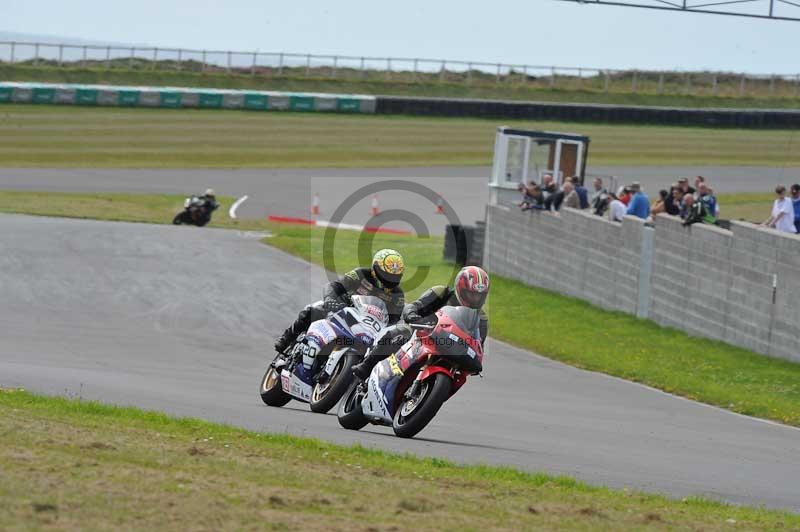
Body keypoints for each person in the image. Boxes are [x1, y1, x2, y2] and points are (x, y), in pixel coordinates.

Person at [352, 266, 490, 381]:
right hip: (421, 332)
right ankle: (366, 366)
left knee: (459, 375)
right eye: (471, 294)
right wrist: (413, 316)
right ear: (460, 288)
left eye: (479, 296)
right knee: (401, 332)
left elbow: (478, 344)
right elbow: (415, 306)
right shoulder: (442, 293)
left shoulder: (481, 318)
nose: (475, 299)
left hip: (449, 346)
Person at [273, 249, 406, 353]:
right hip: (342, 311)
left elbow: (393, 321)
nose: (389, 279)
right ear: (375, 268)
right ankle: (286, 339)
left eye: (394, 277)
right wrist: (331, 300)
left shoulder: (398, 295)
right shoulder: (360, 274)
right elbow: (335, 286)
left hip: (368, 329)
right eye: (386, 275)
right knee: (313, 310)